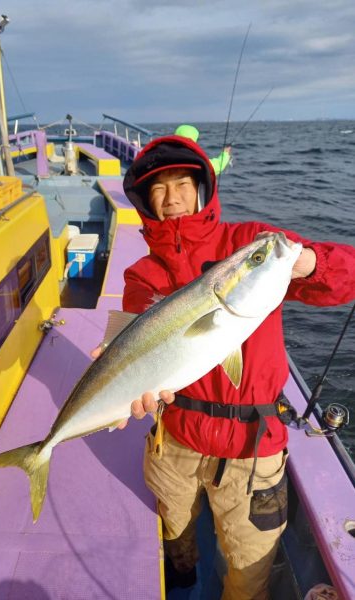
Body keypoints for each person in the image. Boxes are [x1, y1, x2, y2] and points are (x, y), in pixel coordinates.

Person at [92, 134, 355, 600]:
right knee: (175, 538)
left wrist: (308, 262)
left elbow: (344, 280)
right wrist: (128, 384)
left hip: (253, 450)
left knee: (249, 568)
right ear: (146, 201)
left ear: (202, 188)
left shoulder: (249, 246)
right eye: (158, 187)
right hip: (173, 441)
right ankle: (186, 583)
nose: (172, 196)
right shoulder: (143, 274)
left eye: (181, 182)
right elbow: (132, 345)